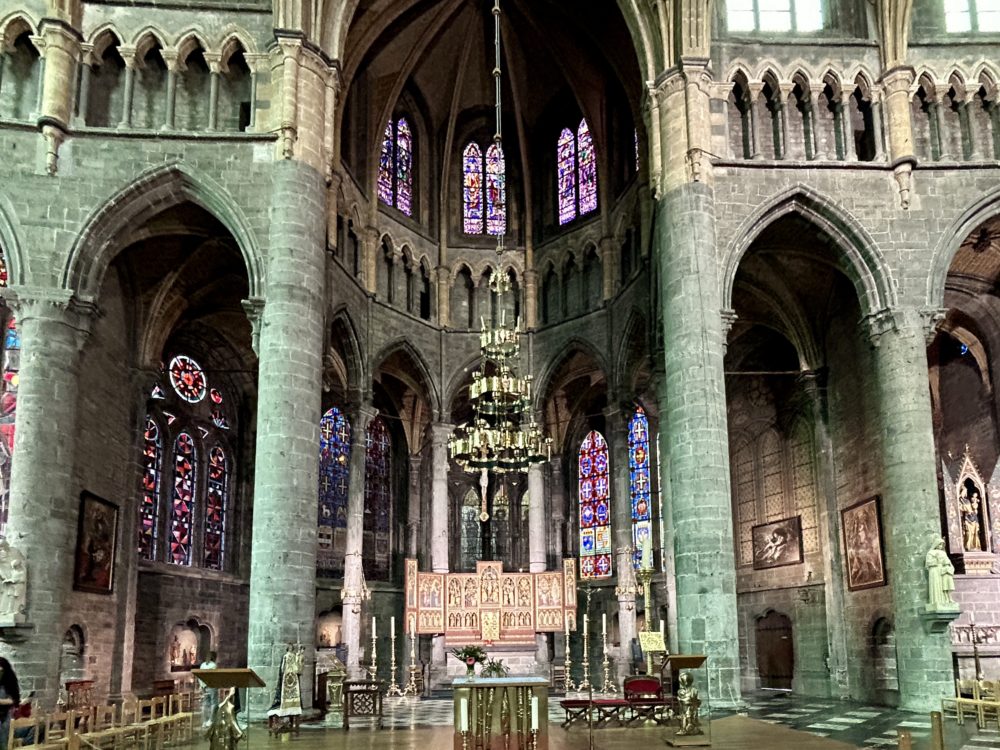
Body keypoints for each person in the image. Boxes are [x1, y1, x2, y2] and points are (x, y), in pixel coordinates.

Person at [926, 537, 957, 609]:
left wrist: (949, 567)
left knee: (945, 585)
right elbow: (928, 563)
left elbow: (948, 562)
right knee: (936, 585)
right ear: (936, 544)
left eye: (942, 545)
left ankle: (946, 600)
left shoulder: (943, 553)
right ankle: (936, 601)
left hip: (943, 570)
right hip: (935, 570)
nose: (941, 546)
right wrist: (936, 560)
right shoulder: (931, 552)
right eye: (939, 544)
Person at [0, 657, 21, 750]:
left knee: (5, 738)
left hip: (5, 714)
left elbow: (14, 699)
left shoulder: (9, 681)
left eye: (1, 670)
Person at [200, 650, 219, 728]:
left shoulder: (202, 665)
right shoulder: (213, 665)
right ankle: (210, 720)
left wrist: (202, 687)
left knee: (205, 704)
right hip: (212, 686)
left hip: (204, 687)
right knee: (214, 703)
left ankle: (204, 721)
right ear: (214, 657)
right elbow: (214, 677)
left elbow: (200, 677)